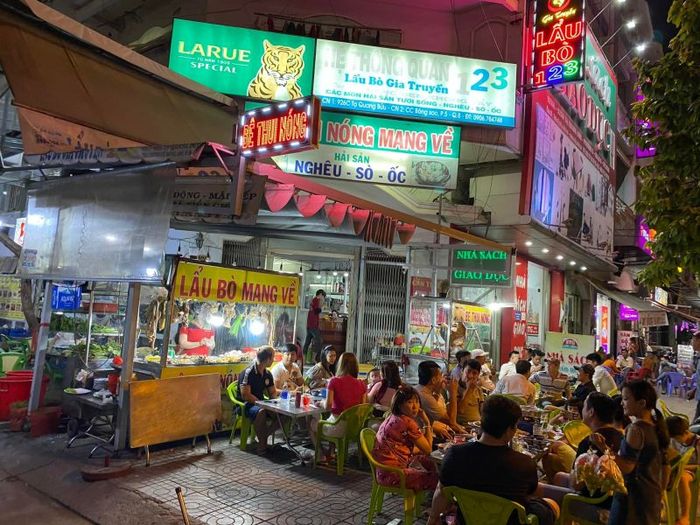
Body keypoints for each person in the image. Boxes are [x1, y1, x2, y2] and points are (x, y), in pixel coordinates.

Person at [427, 395, 559, 525]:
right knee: (551, 505)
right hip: (509, 521)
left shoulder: (454, 455)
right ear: (509, 430)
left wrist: (433, 519)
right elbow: (529, 493)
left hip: (468, 519)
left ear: (482, 421)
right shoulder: (524, 463)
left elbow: (441, 491)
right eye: (515, 427)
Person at [595, 380, 670, 525]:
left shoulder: (636, 429)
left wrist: (603, 447)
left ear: (641, 403)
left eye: (626, 399)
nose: (622, 403)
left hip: (632, 499)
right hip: (651, 495)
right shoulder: (657, 427)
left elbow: (626, 467)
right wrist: (660, 492)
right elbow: (666, 466)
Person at [372, 385, 438, 491]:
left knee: (427, 461)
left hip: (382, 472)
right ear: (399, 405)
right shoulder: (407, 423)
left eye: (417, 401)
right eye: (410, 402)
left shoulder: (392, 417)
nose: (415, 406)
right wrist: (427, 423)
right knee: (440, 479)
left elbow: (401, 448)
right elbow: (428, 449)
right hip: (396, 475)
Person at [311, 352, 367, 460]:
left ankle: (320, 454)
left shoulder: (334, 381)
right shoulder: (361, 384)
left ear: (340, 365)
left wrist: (321, 402)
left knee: (312, 423)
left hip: (337, 428)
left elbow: (328, 406)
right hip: (355, 428)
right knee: (331, 418)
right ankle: (331, 452)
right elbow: (362, 406)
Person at [238, 347, 279, 455]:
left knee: (284, 414)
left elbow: (272, 393)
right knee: (261, 412)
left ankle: (263, 438)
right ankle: (262, 445)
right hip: (247, 405)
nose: (273, 360)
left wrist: (277, 404)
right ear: (268, 359)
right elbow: (246, 395)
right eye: (273, 357)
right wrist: (262, 404)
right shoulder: (248, 372)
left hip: (261, 403)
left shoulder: (267, 374)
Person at [415, 360, 464, 439]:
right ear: (433, 380)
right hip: (421, 438)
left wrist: (437, 391)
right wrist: (453, 393)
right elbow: (451, 422)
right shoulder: (426, 397)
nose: (443, 378)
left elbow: (433, 411)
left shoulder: (418, 389)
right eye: (440, 375)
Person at [667, 416, 699, 525]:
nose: (675, 441)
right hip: (676, 467)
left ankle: (685, 516)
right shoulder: (673, 439)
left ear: (686, 432)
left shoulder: (697, 442)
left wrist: (682, 467)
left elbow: (698, 465)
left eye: (676, 438)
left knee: (682, 478)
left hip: (692, 470)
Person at [456, 359, 483, 424]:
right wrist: (469, 390)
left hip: (477, 425)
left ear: (478, 375)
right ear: (462, 371)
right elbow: (460, 410)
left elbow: (482, 412)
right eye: (468, 371)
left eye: (474, 373)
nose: (470, 376)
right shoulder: (455, 387)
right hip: (463, 425)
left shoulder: (478, 389)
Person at [303, 289, 326, 363]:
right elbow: (317, 310)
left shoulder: (313, 300)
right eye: (323, 296)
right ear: (320, 294)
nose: (323, 298)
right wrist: (322, 306)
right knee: (318, 341)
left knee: (307, 342)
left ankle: (304, 359)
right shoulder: (316, 299)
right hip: (313, 325)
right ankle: (313, 358)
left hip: (310, 324)